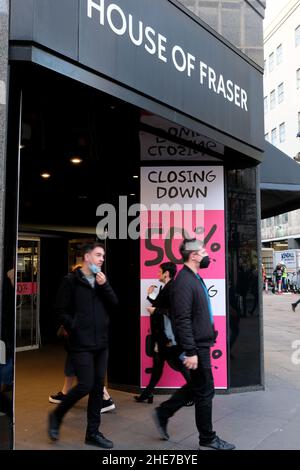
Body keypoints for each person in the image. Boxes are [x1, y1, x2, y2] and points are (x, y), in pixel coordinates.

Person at [152, 238, 235, 450]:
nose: (207, 255)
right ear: (194, 255)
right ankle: (207, 439)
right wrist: (190, 351)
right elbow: (182, 319)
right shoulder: (184, 282)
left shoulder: (194, 278)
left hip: (200, 343)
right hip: (196, 347)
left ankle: (164, 411)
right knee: (206, 390)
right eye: (203, 251)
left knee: (199, 386)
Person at [48, 242, 118, 449]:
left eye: (103, 256)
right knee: (86, 384)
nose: (101, 259)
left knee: (97, 388)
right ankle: (57, 415)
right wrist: (75, 326)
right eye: (98, 255)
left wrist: (105, 285)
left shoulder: (101, 281)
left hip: (101, 343)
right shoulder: (70, 281)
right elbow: (59, 309)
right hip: (81, 344)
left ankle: (93, 433)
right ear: (87, 257)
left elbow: (114, 304)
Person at [134, 262, 191, 404]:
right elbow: (163, 305)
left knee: (179, 364)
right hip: (162, 337)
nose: (157, 274)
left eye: (159, 272)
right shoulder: (168, 287)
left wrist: (155, 310)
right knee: (158, 366)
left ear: (166, 273)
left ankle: (195, 393)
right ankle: (147, 393)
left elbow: (175, 311)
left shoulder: (172, 288)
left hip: (167, 337)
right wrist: (150, 297)